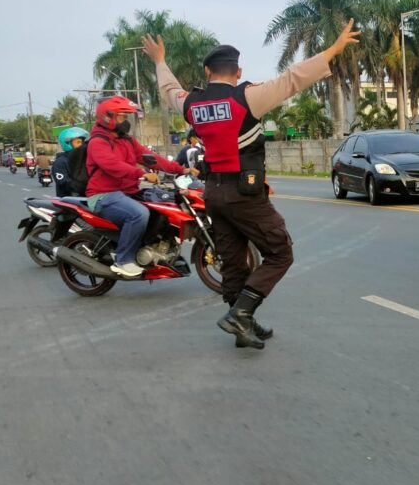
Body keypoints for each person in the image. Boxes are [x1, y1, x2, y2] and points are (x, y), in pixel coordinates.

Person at [143, 19, 360, 348]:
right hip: (244, 193)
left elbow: (169, 91)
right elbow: (292, 80)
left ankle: (242, 325)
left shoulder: (194, 105)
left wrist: (160, 61)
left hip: (213, 192)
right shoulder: (247, 98)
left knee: (234, 260)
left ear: (207, 71)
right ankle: (241, 314)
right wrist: (334, 49)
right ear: (237, 71)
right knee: (280, 253)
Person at [85, 96, 197, 278]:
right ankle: (123, 260)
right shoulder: (98, 142)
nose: (126, 122)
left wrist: (182, 169)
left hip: (128, 193)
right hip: (103, 195)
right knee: (138, 214)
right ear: (108, 117)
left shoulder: (127, 141)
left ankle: (153, 248)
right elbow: (112, 165)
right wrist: (142, 174)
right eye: (122, 117)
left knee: (163, 204)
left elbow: (151, 157)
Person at [53, 127, 87, 197]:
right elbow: (64, 184)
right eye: (78, 142)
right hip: (69, 201)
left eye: (82, 142)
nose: (81, 145)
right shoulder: (60, 162)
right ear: (67, 143)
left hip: (86, 198)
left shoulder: (84, 159)